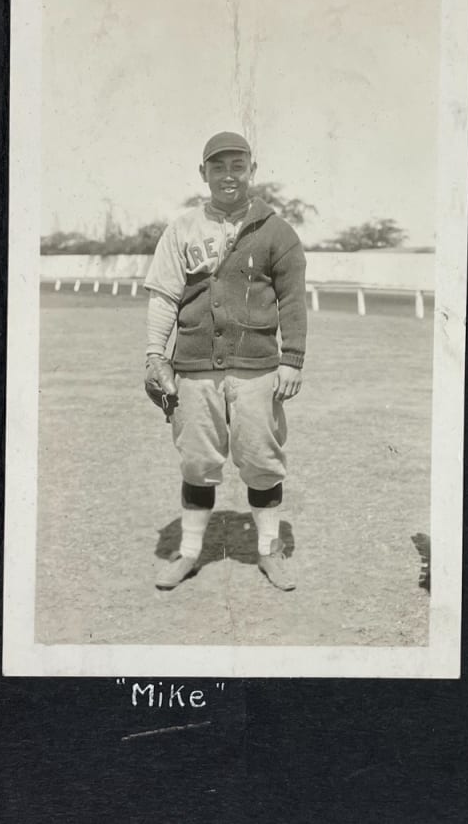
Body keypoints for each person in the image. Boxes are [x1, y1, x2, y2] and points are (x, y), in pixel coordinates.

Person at [142, 132, 308, 591]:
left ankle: (269, 550)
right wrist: (156, 355)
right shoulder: (182, 229)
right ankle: (190, 552)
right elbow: (163, 298)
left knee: (260, 459)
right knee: (197, 462)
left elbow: (294, 301)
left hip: (257, 367)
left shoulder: (277, 230)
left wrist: (292, 359)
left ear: (252, 170)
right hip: (194, 368)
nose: (228, 175)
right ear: (204, 174)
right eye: (218, 167)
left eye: (238, 165)